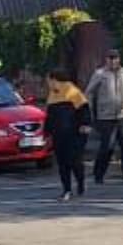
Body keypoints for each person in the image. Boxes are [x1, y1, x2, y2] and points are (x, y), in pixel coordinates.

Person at [85, 49, 123, 184]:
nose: (113, 61)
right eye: (110, 58)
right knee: (107, 146)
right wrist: (90, 110)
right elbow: (89, 92)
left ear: (119, 59)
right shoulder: (100, 74)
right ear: (106, 60)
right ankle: (99, 175)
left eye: (115, 58)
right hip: (106, 116)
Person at [42, 69, 91, 202]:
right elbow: (50, 116)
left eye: (48, 80)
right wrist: (46, 132)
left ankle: (80, 183)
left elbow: (84, 109)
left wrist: (85, 124)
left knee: (75, 161)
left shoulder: (72, 91)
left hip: (74, 134)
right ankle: (67, 190)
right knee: (62, 163)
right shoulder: (52, 95)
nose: (48, 84)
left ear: (54, 80)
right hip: (58, 135)